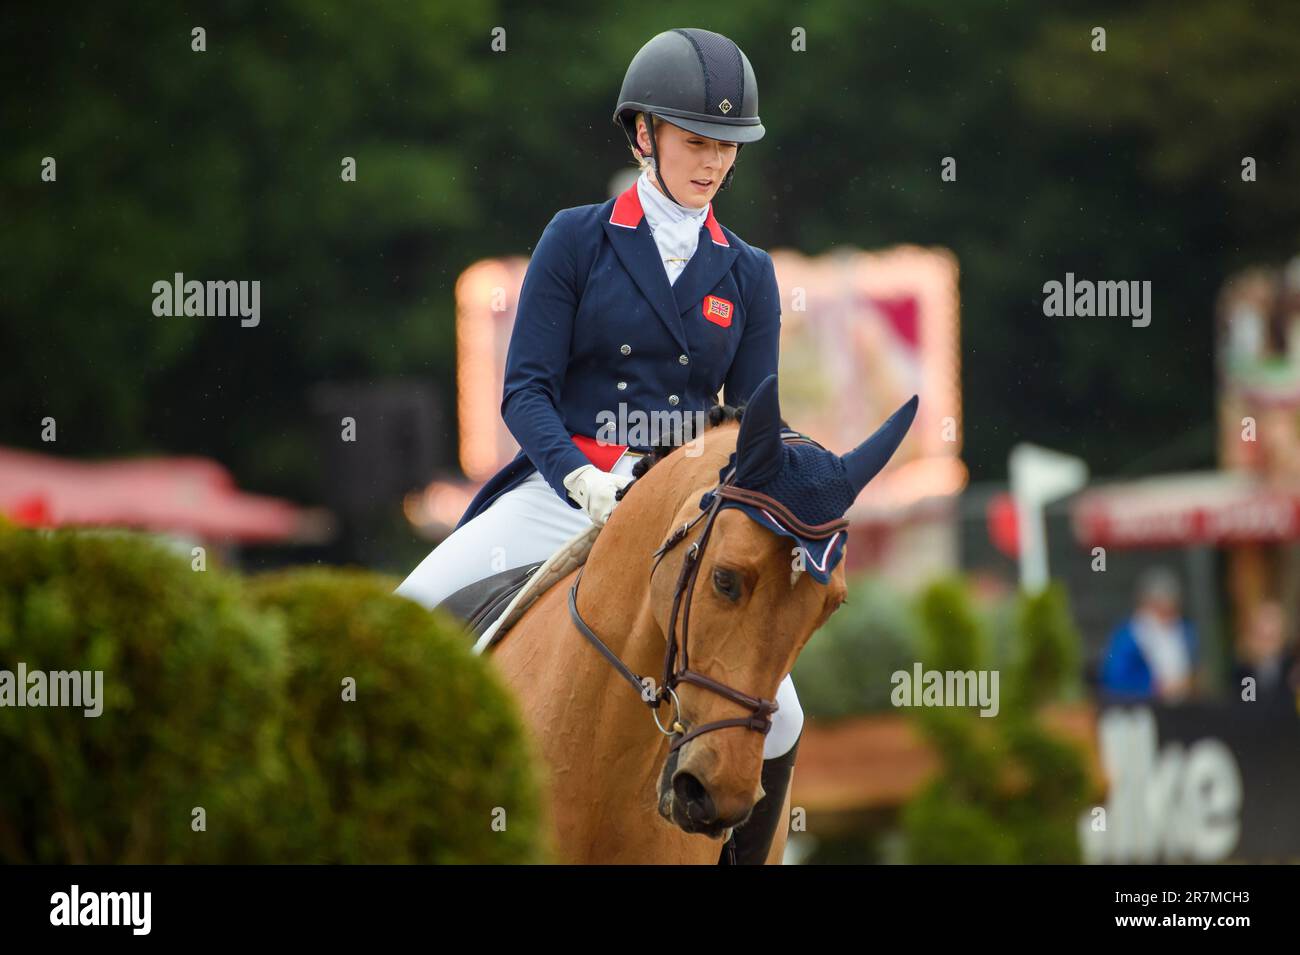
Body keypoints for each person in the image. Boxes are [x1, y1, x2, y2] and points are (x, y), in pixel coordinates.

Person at [396, 29, 799, 863]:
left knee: (783, 715)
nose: (714, 162)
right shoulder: (577, 238)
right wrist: (581, 479)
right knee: (400, 622)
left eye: (727, 146)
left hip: (678, 518)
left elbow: (749, 427)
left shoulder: (749, 273)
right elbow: (524, 390)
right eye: (696, 140)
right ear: (644, 133)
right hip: (561, 493)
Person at [1100, 567, 1198, 703]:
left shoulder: (1185, 631)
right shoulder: (1128, 636)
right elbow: (1115, 680)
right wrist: (1155, 688)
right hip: (1144, 707)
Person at [1230, 599, 1300, 711]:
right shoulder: (1243, 673)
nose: (1266, 646)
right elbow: (1245, 708)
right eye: (1261, 637)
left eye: (1271, 637)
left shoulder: (1293, 671)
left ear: (1283, 637)